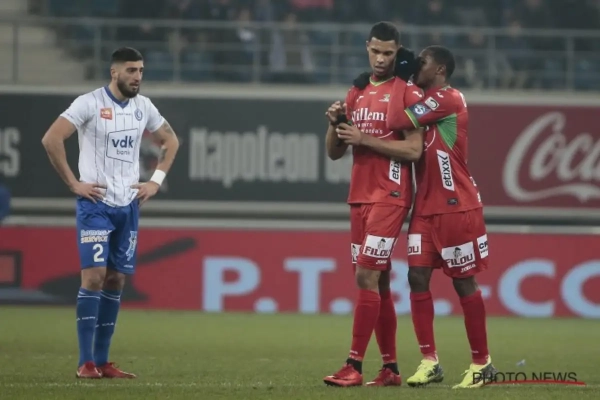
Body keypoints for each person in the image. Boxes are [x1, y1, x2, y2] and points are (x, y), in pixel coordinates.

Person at [343, 44, 496, 389]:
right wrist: (375, 85)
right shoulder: (422, 100)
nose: (415, 66)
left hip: (456, 204)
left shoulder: (447, 98)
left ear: (439, 70)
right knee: (416, 278)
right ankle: (430, 361)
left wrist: (397, 78)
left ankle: (482, 362)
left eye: (422, 62)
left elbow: (396, 120)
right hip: (424, 208)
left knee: (463, 282)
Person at [41, 47, 180, 379]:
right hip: (95, 204)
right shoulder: (89, 103)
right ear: (114, 72)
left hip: (128, 205)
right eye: (131, 70)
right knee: (94, 277)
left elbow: (171, 141)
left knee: (116, 280)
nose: (137, 77)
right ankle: (85, 362)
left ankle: (103, 361)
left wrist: (155, 181)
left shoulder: (143, 107)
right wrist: (74, 183)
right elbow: (52, 139)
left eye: (141, 70)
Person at [322, 21, 423, 387]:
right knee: (375, 283)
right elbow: (335, 153)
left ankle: (354, 365)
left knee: (366, 275)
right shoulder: (357, 91)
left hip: (391, 196)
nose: (381, 59)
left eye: (388, 53)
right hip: (360, 196)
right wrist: (335, 125)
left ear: (398, 52)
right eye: (376, 51)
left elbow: (414, 149)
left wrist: (364, 138)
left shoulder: (407, 92)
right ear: (367, 47)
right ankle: (390, 369)